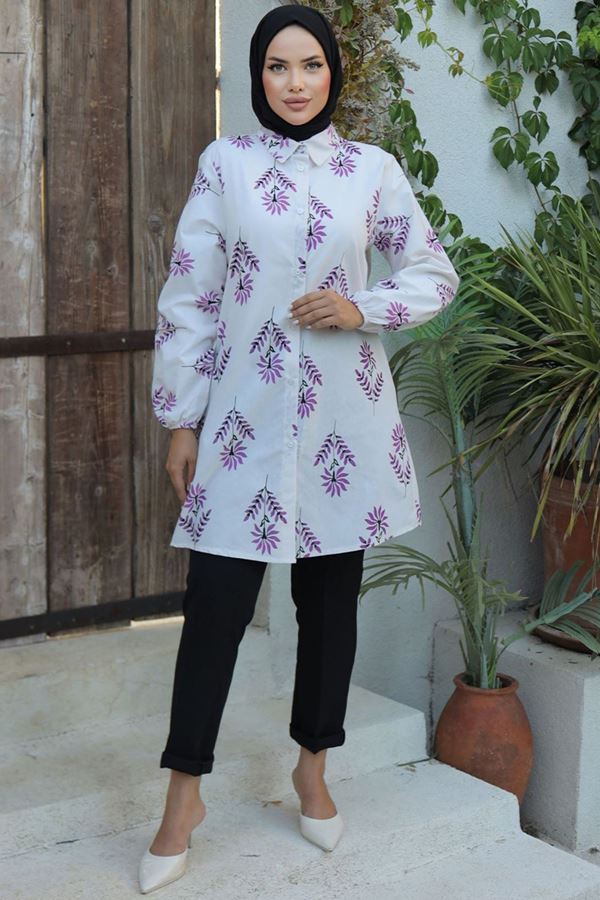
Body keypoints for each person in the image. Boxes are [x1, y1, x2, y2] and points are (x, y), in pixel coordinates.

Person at [139, 4, 460, 893]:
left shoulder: (373, 171)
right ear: (257, 76)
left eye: (310, 65)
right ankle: (182, 799)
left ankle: (313, 772)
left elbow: (434, 273)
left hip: (341, 431)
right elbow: (190, 296)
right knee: (213, 609)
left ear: (333, 74)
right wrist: (181, 419)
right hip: (243, 422)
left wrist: (364, 308)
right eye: (277, 66)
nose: (294, 82)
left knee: (329, 608)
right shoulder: (226, 165)